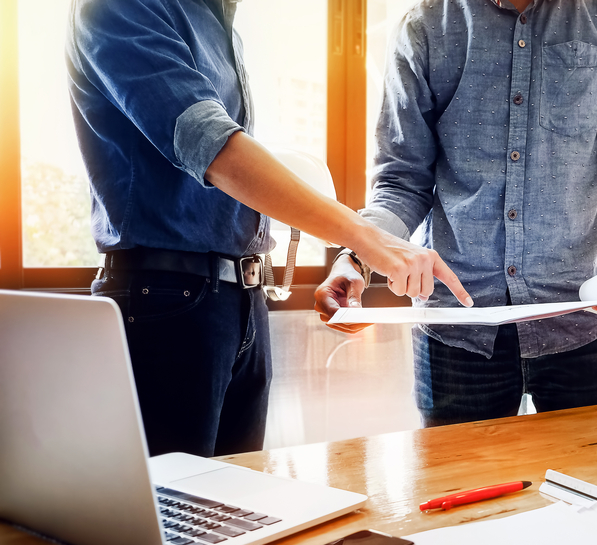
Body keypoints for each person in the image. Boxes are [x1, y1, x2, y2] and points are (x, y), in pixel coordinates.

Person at [67, 0, 470, 457]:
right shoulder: (123, 7)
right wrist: (363, 238)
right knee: (171, 515)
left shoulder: (218, 25)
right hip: (163, 300)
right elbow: (211, 144)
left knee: (238, 509)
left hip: (240, 302)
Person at [315, 0, 597, 427]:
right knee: (460, 491)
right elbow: (401, 181)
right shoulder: (425, 27)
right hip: (457, 332)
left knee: (595, 491)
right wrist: (355, 256)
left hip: (587, 322)